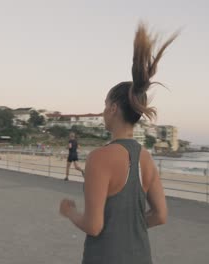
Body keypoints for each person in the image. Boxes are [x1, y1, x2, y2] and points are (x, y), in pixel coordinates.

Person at [59, 23, 177, 264]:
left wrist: (69, 212)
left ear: (113, 109)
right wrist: (129, 227)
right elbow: (161, 215)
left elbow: (93, 226)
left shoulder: (100, 158)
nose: (103, 111)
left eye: (105, 105)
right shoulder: (146, 158)